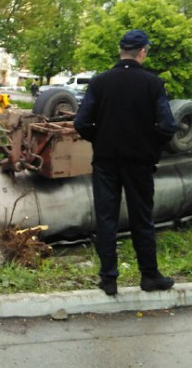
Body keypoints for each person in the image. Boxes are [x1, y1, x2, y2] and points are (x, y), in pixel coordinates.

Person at [74, 29, 179, 296]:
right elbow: (168, 126)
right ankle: (149, 276)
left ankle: (108, 279)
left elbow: (81, 122)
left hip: (106, 162)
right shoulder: (153, 84)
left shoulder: (99, 83)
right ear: (142, 52)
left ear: (121, 51)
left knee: (106, 219)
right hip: (139, 163)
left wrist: (100, 139)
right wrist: (150, 145)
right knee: (142, 218)